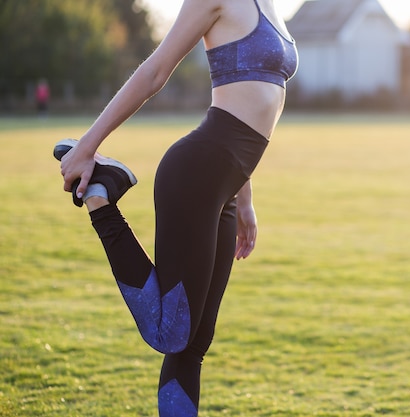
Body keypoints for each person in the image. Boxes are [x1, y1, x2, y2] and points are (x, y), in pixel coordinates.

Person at [53, 0, 297, 415]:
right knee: (170, 332)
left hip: (226, 185)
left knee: (194, 344)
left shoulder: (269, 4)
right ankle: (100, 197)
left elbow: (246, 96)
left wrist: (245, 197)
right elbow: (154, 72)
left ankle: (104, 187)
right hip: (196, 173)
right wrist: (87, 146)